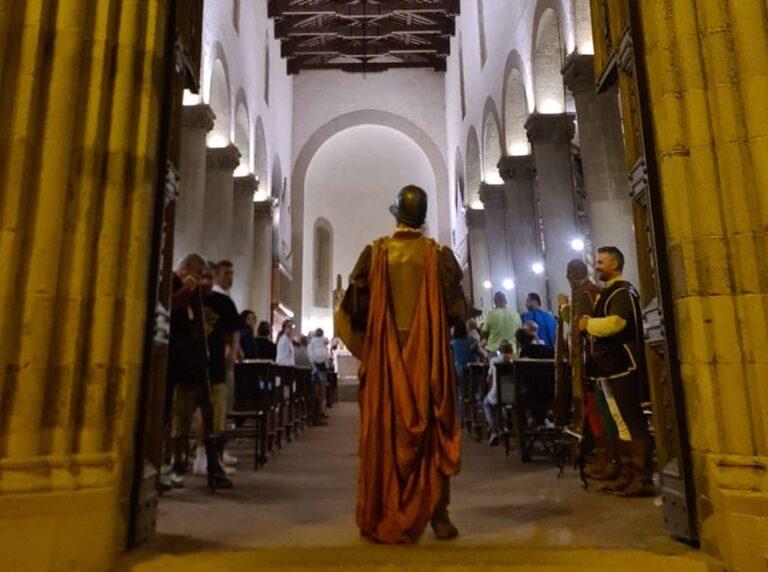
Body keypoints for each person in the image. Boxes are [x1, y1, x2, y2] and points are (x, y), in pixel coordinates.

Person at [335, 185, 466, 543]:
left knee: (386, 433)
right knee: (433, 432)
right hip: (428, 359)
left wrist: (373, 352)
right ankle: (440, 517)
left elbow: (351, 312)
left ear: (396, 214)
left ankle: (384, 510)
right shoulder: (439, 257)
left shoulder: (375, 254)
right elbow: (457, 312)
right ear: (422, 218)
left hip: (386, 362)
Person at [579, 246, 653, 497]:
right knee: (619, 420)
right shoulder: (608, 293)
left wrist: (588, 324)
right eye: (596, 262)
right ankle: (626, 473)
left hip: (623, 364)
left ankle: (642, 478)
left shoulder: (623, 291)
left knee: (631, 419)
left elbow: (617, 323)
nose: (597, 266)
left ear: (615, 264)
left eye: (601, 262)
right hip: (609, 365)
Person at [167, 256, 232, 490]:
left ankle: (213, 464)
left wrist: (230, 355)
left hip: (210, 369)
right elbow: (171, 313)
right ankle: (177, 464)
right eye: (199, 274)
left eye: (206, 276)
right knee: (180, 419)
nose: (203, 281)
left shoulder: (220, 302)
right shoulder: (181, 290)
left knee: (214, 421)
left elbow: (230, 333)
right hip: (185, 368)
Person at [557, 259, 618, 482]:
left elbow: (577, 324)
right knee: (601, 410)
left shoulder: (584, 293)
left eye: (568, 273)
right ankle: (606, 458)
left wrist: (563, 307)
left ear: (574, 275)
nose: (567, 277)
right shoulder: (593, 290)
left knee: (597, 410)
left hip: (590, 360)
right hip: (598, 357)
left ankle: (608, 459)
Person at [483, 339, 515, 446]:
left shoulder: (495, 361)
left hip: (498, 393)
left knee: (487, 403)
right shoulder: (514, 361)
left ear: (500, 350)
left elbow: (489, 379)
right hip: (513, 394)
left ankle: (493, 429)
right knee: (501, 406)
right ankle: (504, 426)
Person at [450, 320, 484, 407]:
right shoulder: (471, 340)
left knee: (461, 395)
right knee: (475, 392)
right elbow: (482, 354)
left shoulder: (452, 343)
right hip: (472, 370)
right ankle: (475, 413)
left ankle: (462, 417)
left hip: (458, 370)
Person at [307, 328, 331, 422]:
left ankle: (316, 413)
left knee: (315, 391)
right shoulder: (322, 344)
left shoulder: (311, 344)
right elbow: (326, 356)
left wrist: (314, 367)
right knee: (322, 392)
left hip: (314, 368)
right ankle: (320, 412)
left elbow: (311, 357)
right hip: (321, 369)